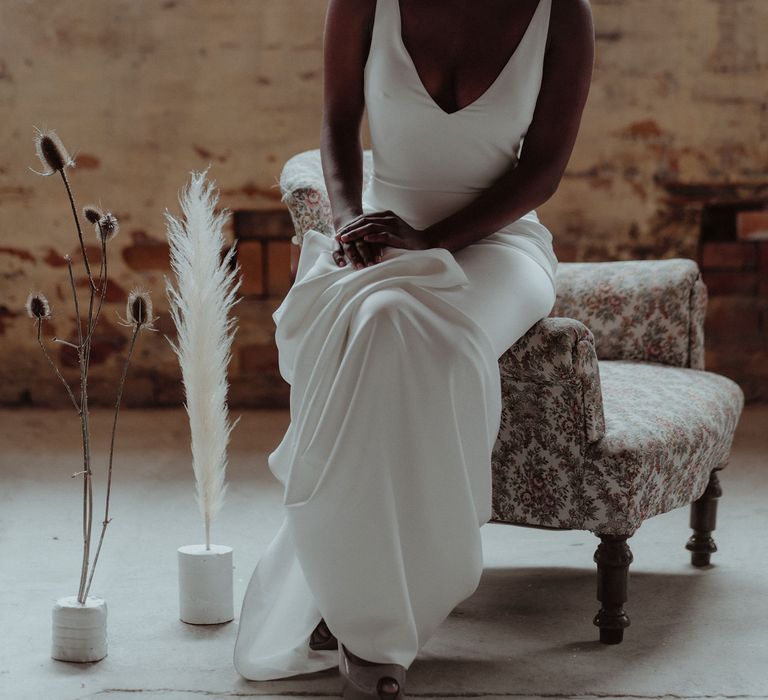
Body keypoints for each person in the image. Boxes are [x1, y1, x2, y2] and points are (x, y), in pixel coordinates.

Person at [234, 0, 594, 697]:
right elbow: (337, 122)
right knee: (377, 323)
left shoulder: (562, 14)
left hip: (496, 246)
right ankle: (369, 625)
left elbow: (545, 168)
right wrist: (350, 225)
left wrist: (433, 242)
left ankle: (376, 612)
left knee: (418, 331)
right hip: (381, 228)